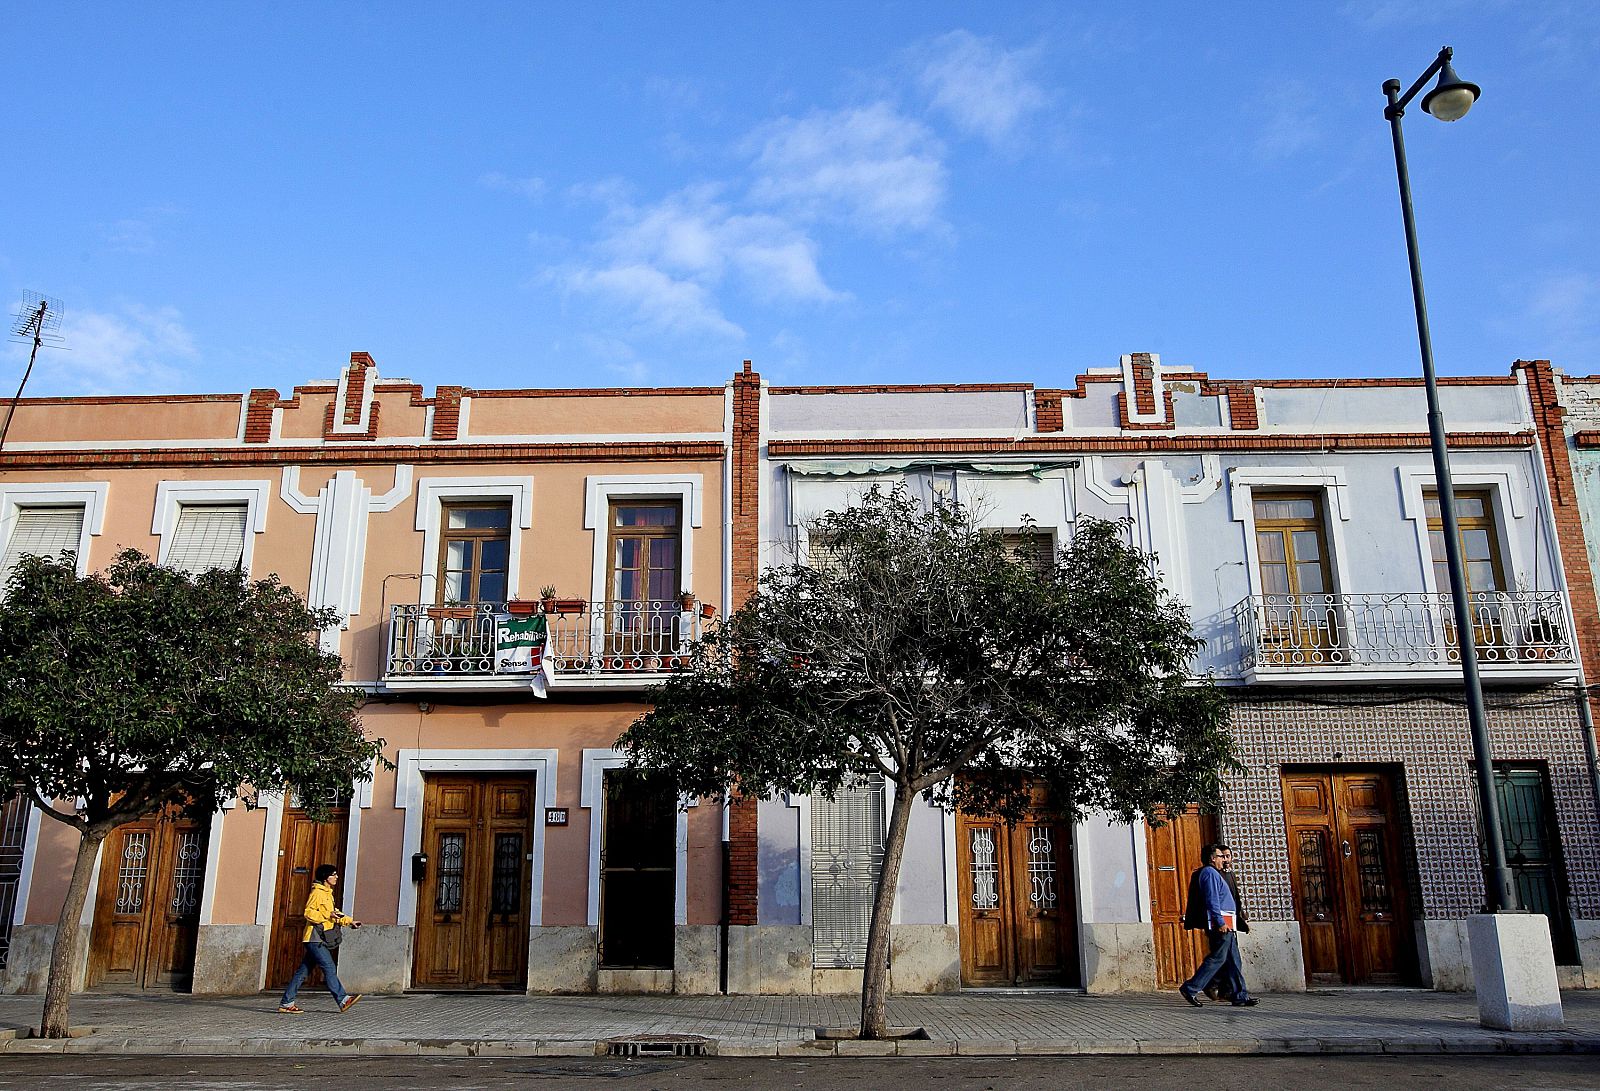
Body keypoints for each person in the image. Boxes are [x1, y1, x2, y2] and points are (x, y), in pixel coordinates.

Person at [1178, 843, 1257, 1008]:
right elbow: (1212, 900)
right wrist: (1219, 922)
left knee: (1234, 961)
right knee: (1218, 958)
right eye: (1221, 856)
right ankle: (1191, 988)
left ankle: (1240, 995)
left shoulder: (1217, 873)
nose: (1224, 860)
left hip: (1229, 924)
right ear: (1213, 859)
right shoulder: (1209, 873)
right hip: (1221, 925)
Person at [277, 864, 363, 1014]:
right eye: (333, 874)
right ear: (325, 877)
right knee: (328, 967)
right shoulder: (317, 893)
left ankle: (286, 1002)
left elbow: (334, 913)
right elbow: (308, 913)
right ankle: (343, 1000)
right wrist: (327, 915)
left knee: (303, 972)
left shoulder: (327, 893)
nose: (336, 877)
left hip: (320, 938)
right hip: (314, 938)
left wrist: (349, 921)